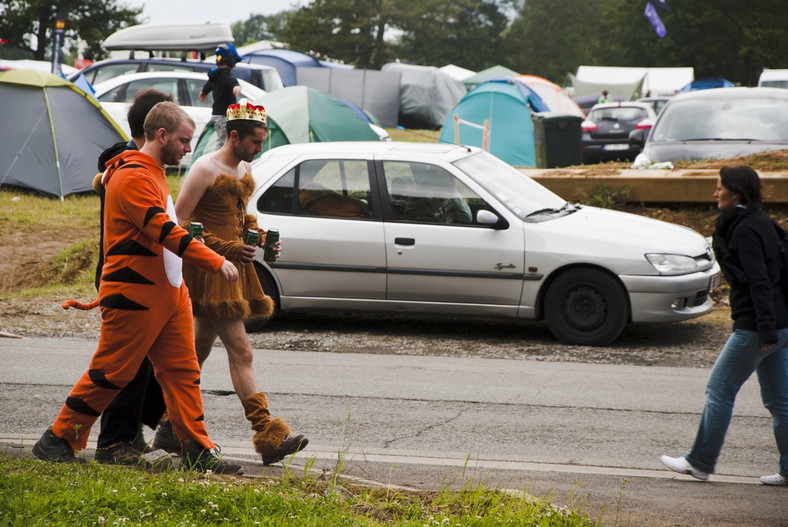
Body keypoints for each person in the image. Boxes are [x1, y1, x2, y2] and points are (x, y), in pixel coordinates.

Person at [33, 102, 244, 475]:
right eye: (183, 140)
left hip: (166, 291)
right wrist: (214, 260)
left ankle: (196, 447)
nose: (188, 149)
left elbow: (166, 229)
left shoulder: (151, 171)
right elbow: (162, 230)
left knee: (183, 372)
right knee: (112, 372)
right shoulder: (132, 176)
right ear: (160, 135)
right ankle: (58, 438)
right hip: (135, 292)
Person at [168, 99, 307, 465]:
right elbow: (178, 224)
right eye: (255, 142)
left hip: (233, 268)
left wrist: (258, 236)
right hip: (211, 270)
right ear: (234, 136)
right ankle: (268, 435)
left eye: (262, 141)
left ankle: (169, 428)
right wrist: (225, 248)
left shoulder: (242, 166)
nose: (260, 149)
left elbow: (239, 215)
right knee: (242, 352)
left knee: (195, 354)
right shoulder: (204, 168)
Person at [660, 165, 788, 486]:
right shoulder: (763, 223)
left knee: (720, 389)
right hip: (779, 324)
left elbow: (760, 281)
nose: (715, 192)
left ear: (736, 192)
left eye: (719, 187)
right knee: (779, 401)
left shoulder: (745, 231)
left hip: (758, 326)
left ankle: (700, 462)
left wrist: (766, 327)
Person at [89, 89, 173, 466]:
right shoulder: (125, 168)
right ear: (156, 128)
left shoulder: (141, 165)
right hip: (125, 273)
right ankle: (114, 441)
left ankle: (136, 430)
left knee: (147, 360)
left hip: (144, 274)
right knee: (127, 362)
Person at [199, 44, 243, 150]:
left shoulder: (215, 75)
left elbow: (208, 86)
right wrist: (236, 88)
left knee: (221, 140)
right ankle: (220, 162)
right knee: (223, 142)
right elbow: (231, 82)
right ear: (231, 61)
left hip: (217, 114)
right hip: (224, 115)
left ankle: (221, 159)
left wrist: (203, 93)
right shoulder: (227, 75)